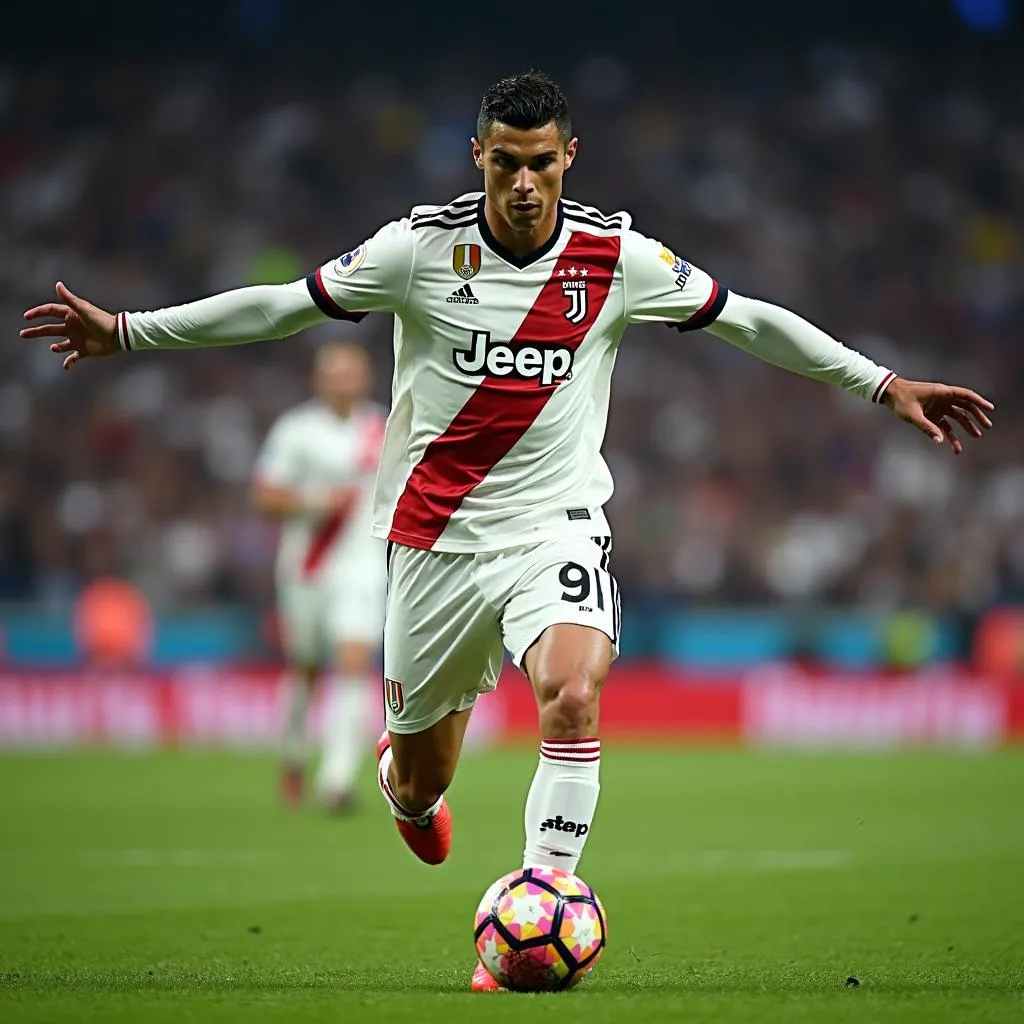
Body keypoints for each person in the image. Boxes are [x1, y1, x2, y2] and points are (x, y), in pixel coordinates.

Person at [20, 71, 994, 992]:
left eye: (542, 163)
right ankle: (405, 785)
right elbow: (283, 307)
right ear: (476, 156)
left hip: (554, 527)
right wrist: (133, 330)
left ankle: (538, 904)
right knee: (418, 774)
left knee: (572, 692)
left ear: (571, 155)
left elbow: (747, 319)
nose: (524, 183)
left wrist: (880, 381)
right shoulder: (416, 250)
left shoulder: (618, 259)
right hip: (431, 546)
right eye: (504, 164)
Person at [251, 343, 386, 811]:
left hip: (362, 568)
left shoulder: (383, 428)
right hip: (306, 566)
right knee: (306, 667)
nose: (345, 381)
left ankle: (336, 780)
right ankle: (292, 752)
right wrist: (312, 502)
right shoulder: (296, 431)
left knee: (353, 663)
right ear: (319, 380)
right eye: (336, 373)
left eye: (353, 373)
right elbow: (265, 494)